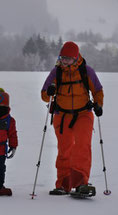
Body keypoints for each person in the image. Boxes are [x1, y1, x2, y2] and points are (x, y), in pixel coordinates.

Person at [41, 41, 104, 196]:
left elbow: (98, 90)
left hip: (83, 114)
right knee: (65, 149)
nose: (64, 61)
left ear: (76, 58)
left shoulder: (86, 71)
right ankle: (63, 184)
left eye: (68, 58)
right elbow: (44, 95)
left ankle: (81, 183)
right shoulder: (56, 73)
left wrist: (98, 105)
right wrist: (49, 91)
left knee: (82, 146)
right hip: (61, 116)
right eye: (62, 58)